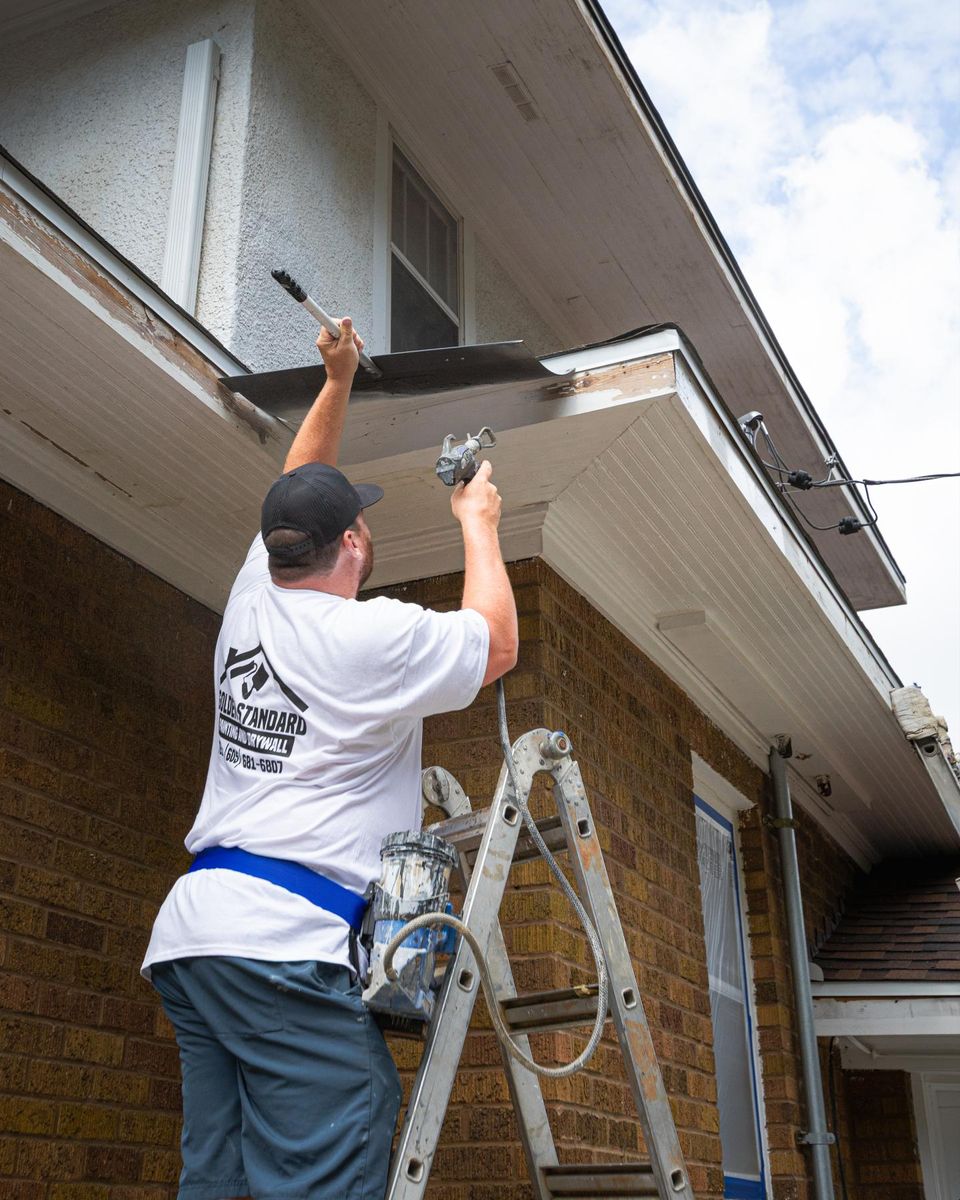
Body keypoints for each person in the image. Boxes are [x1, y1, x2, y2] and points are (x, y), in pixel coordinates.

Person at [141, 316, 518, 1200]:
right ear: (350, 543)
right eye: (361, 522)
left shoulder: (253, 595)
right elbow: (496, 644)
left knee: (219, 1175)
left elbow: (296, 480)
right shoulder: (366, 636)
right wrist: (478, 520)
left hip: (196, 939)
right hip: (281, 945)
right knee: (347, 1116)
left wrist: (337, 381)